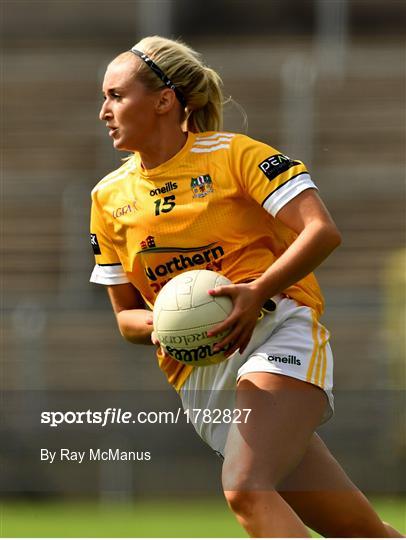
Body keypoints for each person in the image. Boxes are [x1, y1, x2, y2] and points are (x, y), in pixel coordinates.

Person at [90, 36, 402, 538]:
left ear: (165, 101)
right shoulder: (107, 198)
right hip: (201, 376)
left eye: (116, 96)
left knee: (245, 489)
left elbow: (322, 231)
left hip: (277, 334)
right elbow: (125, 317)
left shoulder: (236, 156)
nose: (104, 111)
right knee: (359, 530)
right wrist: (166, 323)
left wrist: (255, 293)